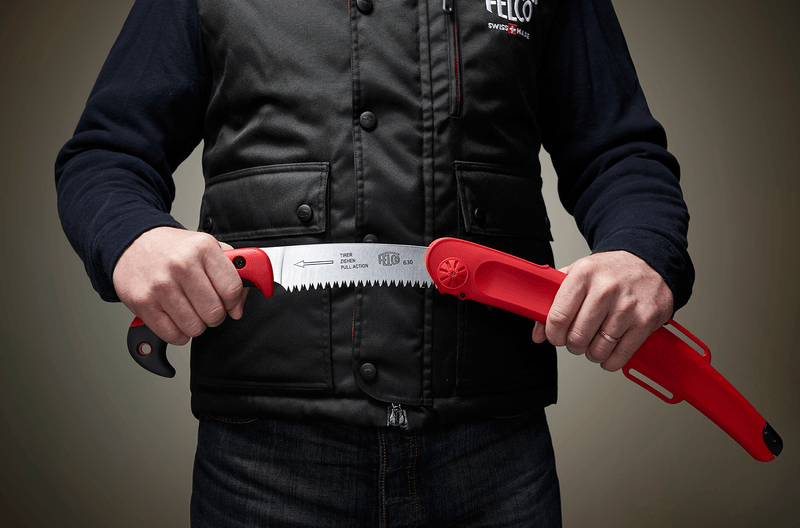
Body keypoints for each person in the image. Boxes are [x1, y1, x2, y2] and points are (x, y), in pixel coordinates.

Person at [55, 0, 693, 525]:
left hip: (494, 456)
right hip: (263, 464)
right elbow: (107, 155)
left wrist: (642, 250)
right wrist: (133, 236)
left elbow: (620, 154)